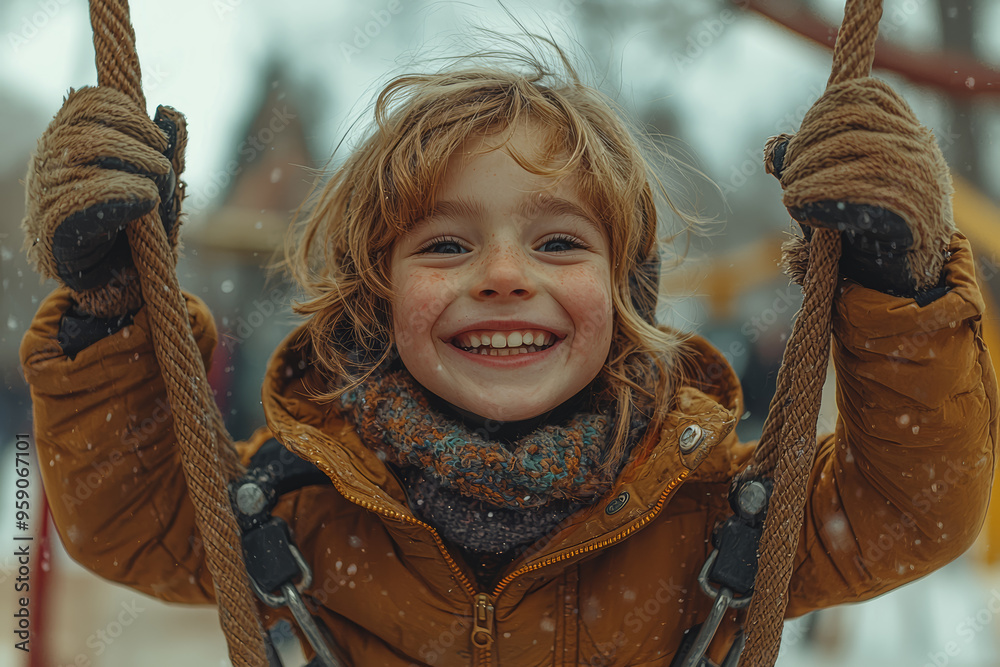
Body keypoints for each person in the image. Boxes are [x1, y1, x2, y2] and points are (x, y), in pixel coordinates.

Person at [19, 36, 997, 666]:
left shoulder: (708, 508)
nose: (501, 274)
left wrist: (894, 284)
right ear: (376, 294)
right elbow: (131, 518)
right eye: (445, 245)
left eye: (558, 243)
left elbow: (909, 507)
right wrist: (112, 307)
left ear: (625, 295)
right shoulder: (302, 505)